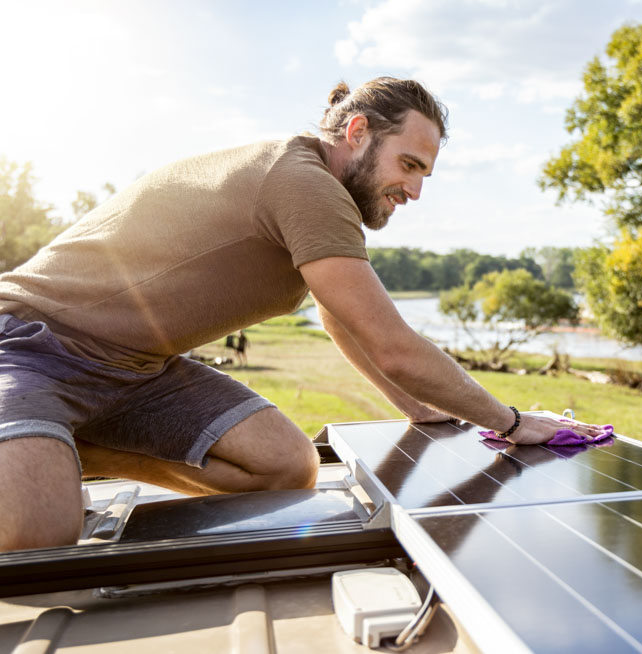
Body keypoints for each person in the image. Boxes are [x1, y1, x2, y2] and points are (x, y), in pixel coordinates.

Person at [0, 77, 604, 551]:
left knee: (286, 467)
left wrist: (415, 409)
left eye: (425, 174)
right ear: (359, 132)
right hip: (30, 342)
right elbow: (394, 345)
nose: (415, 190)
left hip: (136, 368)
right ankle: (37, 460)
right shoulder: (304, 184)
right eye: (409, 166)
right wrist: (512, 420)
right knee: (40, 536)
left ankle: (60, 449)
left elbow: (341, 319)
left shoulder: (316, 191)